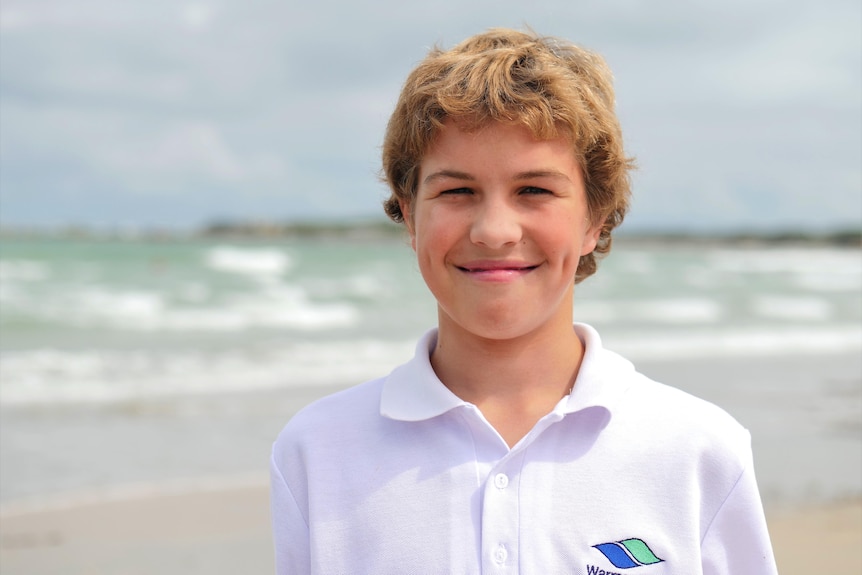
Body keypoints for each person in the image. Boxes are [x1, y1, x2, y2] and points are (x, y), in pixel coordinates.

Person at [270, 28, 778, 574]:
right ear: (410, 215)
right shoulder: (317, 451)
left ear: (594, 219)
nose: (494, 230)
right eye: (457, 191)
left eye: (534, 190)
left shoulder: (698, 450)